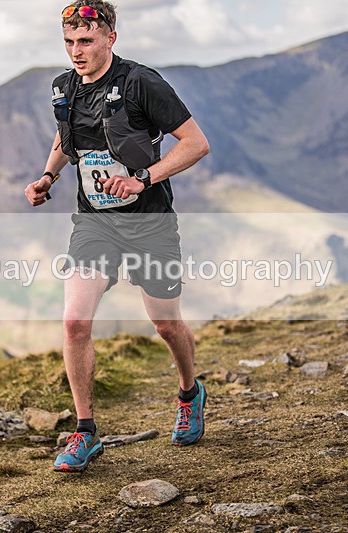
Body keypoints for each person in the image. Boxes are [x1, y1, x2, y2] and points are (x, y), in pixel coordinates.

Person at [24, 1, 210, 473]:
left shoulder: (140, 82)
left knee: (166, 324)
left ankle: (190, 392)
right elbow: (68, 140)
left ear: (110, 36)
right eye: (68, 42)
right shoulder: (63, 87)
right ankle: (85, 431)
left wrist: (142, 178)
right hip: (94, 223)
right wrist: (48, 176)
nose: (76, 51)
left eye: (85, 41)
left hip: (149, 220)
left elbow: (195, 144)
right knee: (74, 322)